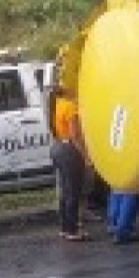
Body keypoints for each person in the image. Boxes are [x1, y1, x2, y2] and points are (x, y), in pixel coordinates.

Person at [50, 89, 90, 241]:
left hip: (57, 147)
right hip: (69, 151)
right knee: (73, 192)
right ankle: (73, 230)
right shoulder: (70, 107)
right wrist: (86, 157)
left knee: (65, 191)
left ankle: (65, 227)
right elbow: (75, 136)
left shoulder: (56, 104)